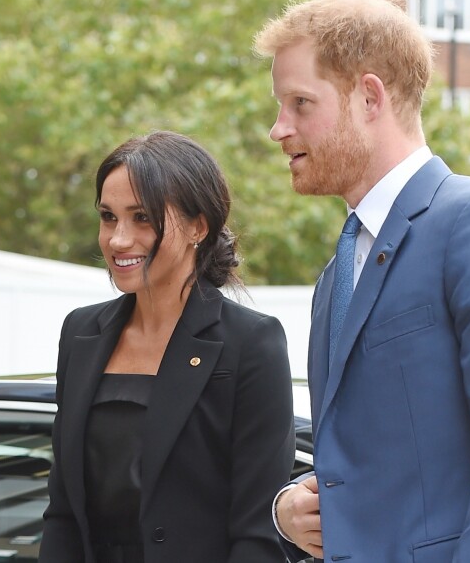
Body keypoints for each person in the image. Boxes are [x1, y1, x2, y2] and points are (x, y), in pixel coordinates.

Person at [254, 0, 470, 563]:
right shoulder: (335, 276)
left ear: (369, 97)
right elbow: (368, 462)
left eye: (299, 103)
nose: (278, 129)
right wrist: (289, 511)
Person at [38, 130, 296, 563]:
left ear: (199, 225)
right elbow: (63, 511)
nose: (118, 239)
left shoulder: (250, 343)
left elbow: (258, 532)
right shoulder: (81, 332)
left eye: (142, 217)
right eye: (108, 216)